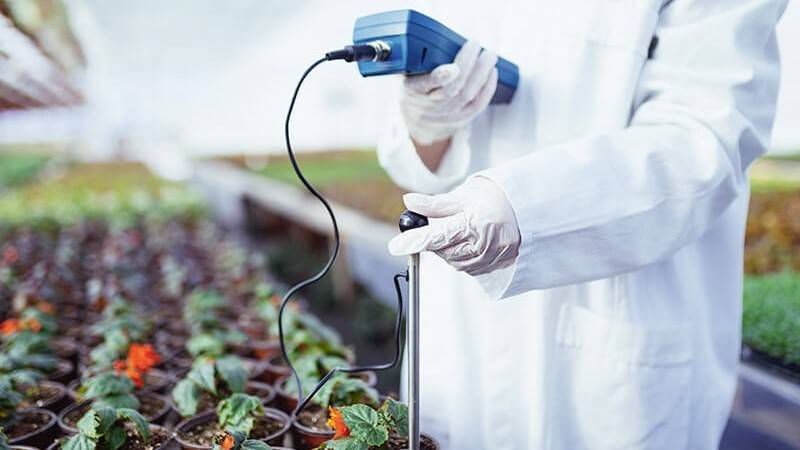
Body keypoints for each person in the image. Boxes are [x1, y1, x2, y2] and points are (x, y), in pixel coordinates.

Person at [377, 1, 788, 449]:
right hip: (459, 336)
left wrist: (523, 209)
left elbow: (706, 139)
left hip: (610, 351)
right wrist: (426, 126)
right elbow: (407, 160)